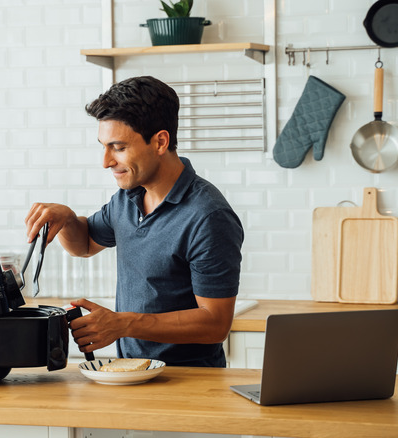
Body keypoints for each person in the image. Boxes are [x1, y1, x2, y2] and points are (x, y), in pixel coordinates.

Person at [24, 76, 243, 367]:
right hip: (132, 373)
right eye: (103, 146)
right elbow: (85, 244)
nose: (106, 161)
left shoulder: (208, 216)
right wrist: (66, 219)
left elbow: (215, 324)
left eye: (118, 147)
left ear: (160, 142)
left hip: (188, 381)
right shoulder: (127, 198)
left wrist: (124, 324)